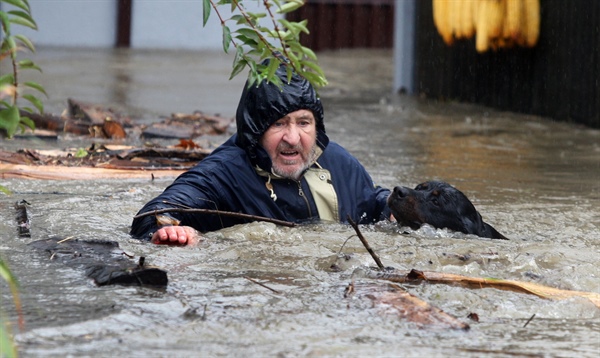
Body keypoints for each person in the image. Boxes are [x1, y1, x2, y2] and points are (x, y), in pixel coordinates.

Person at [130, 61, 391, 245]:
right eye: (278, 124)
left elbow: (370, 204)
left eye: (303, 123)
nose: (292, 138)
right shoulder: (224, 173)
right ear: (255, 130)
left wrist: (398, 207)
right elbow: (152, 215)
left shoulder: (337, 161)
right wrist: (168, 231)